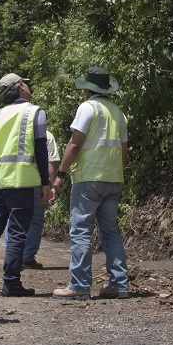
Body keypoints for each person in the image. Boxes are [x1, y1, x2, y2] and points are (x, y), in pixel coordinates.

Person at [0, 74, 53, 297]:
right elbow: (40, 149)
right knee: (17, 232)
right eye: (26, 83)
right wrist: (45, 182)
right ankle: (11, 283)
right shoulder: (35, 112)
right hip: (22, 181)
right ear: (21, 86)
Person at [52, 67, 130, 300]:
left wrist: (61, 174)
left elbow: (74, 144)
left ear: (88, 88)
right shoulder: (119, 113)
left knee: (81, 231)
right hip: (112, 178)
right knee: (111, 231)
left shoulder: (88, 108)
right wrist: (116, 172)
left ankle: (79, 285)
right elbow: (123, 151)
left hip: (88, 179)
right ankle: (119, 284)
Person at [4, 129, 60, 268]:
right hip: (36, 182)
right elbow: (51, 162)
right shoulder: (47, 136)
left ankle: (12, 255)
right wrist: (52, 185)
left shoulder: (15, 132)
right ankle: (27, 257)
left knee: (13, 218)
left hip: (13, 180)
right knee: (35, 220)